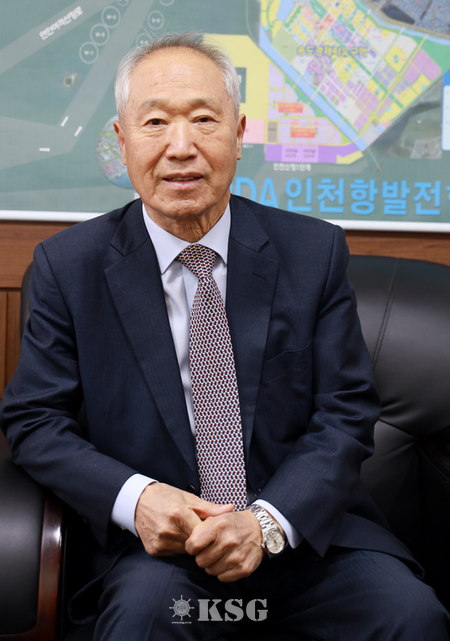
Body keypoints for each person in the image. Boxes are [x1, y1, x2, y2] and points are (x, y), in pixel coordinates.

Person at [1, 32, 449, 641]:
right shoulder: (69, 267)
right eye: (155, 122)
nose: (180, 147)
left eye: (204, 120)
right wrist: (139, 499)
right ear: (122, 141)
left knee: (408, 615)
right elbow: (34, 420)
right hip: (160, 553)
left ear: (238, 135)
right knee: (142, 622)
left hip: (300, 536)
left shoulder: (312, 253)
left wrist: (265, 524)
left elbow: (345, 411)